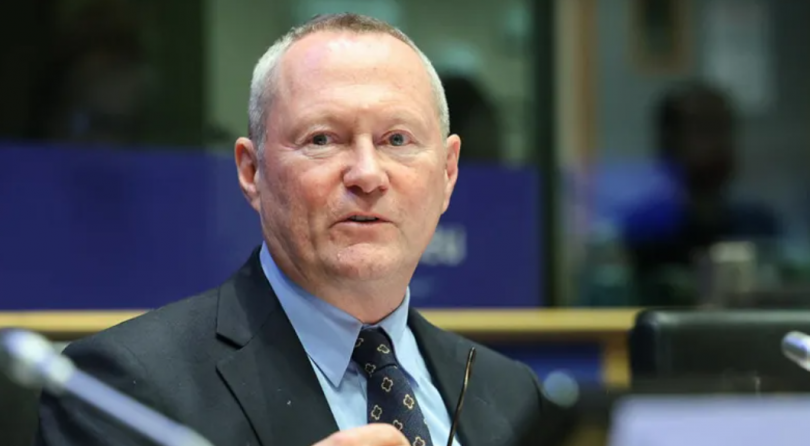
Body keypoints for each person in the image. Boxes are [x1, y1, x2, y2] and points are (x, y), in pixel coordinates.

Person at [34, 13, 569, 446]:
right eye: (322, 140)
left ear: (448, 173)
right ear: (252, 172)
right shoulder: (122, 388)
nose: (367, 174)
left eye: (397, 140)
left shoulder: (513, 395)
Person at [619, 80, 781, 306]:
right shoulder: (646, 232)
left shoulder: (759, 226)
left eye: (723, 128)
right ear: (669, 141)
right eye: (703, 130)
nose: (718, 144)